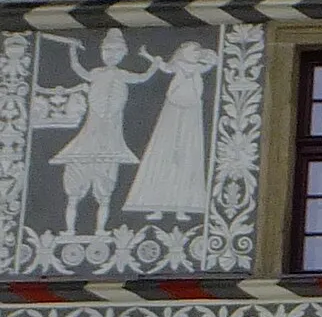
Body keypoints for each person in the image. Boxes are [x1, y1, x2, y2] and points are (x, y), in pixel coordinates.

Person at [50, 28, 156, 235]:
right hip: (91, 134)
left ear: (124, 54)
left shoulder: (122, 74)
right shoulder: (96, 73)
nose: (111, 55)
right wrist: (72, 50)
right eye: (107, 50)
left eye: (116, 51)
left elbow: (143, 78)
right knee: (74, 193)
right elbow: (78, 69)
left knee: (105, 193)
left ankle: (100, 230)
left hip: (111, 136)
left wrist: (153, 63)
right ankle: (69, 230)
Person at [125, 39, 216, 219]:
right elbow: (164, 67)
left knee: (187, 154)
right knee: (164, 152)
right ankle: (156, 206)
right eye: (192, 51)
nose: (195, 54)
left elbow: (214, 60)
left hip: (191, 112)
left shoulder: (198, 67)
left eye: (197, 52)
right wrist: (148, 56)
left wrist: (205, 53)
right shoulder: (178, 65)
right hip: (173, 110)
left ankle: (181, 207)